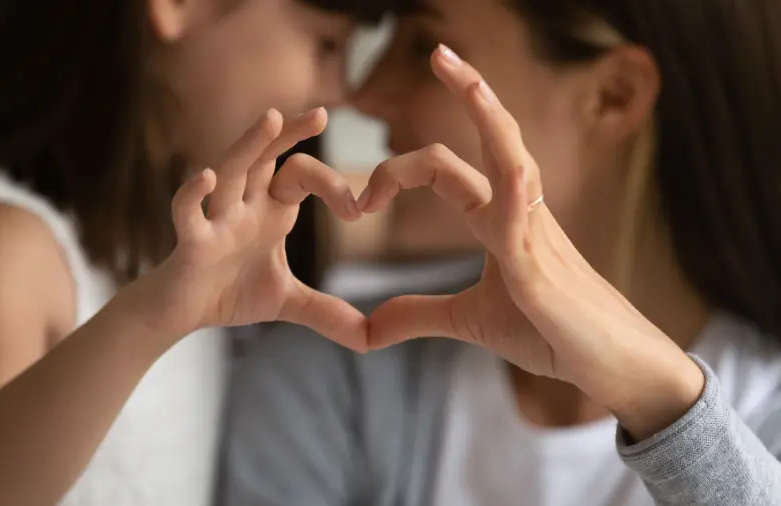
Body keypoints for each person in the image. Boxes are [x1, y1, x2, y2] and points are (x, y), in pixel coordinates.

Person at [218, 0, 781, 505]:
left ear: (614, 97)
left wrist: (663, 403)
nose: (362, 94)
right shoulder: (333, 376)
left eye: (422, 47)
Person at [0, 0, 397, 504]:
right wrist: (152, 318)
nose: (340, 92)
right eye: (326, 44)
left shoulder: (182, 228)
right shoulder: (3, 248)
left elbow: (388, 214)